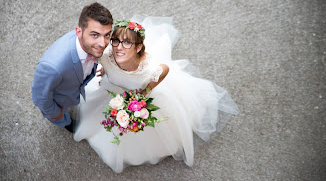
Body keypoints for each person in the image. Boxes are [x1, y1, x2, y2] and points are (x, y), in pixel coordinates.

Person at [74, 16, 239, 172]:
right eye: (116, 41)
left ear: (138, 47)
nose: (119, 47)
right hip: (110, 93)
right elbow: (94, 57)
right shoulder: (107, 54)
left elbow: (164, 70)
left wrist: (144, 92)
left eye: (127, 43)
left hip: (138, 97)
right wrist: (101, 71)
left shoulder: (149, 67)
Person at [31, 2, 113, 133]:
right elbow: (40, 97)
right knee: (66, 121)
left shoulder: (90, 44)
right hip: (60, 102)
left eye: (107, 35)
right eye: (95, 35)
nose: (103, 43)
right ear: (79, 32)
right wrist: (56, 114)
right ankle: (66, 122)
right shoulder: (52, 67)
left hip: (74, 89)